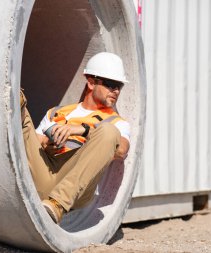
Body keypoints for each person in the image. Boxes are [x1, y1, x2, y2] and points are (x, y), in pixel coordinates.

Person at [20, 52, 130, 224]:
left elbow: (121, 151)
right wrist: (49, 142)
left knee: (108, 131)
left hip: (76, 187)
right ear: (91, 82)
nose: (116, 91)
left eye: (119, 86)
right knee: (18, 105)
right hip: (44, 170)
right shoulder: (56, 112)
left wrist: (82, 130)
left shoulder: (117, 122)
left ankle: (58, 204)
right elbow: (32, 143)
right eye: (111, 84)